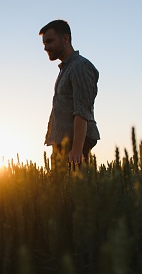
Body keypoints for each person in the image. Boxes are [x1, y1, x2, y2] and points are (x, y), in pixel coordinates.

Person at [39, 20, 100, 165]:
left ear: (65, 39)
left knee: (74, 187)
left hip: (74, 146)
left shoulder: (80, 66)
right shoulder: (66, 69)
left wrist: (77, 149)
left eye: (49, 41)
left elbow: (82, 110)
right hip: (63, 144)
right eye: (44, 44)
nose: (46, 47)